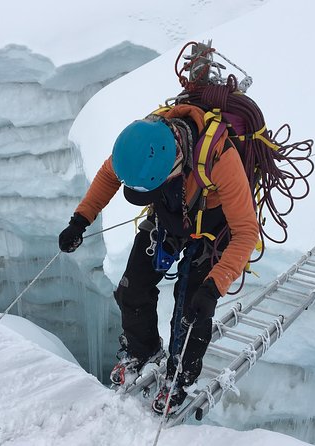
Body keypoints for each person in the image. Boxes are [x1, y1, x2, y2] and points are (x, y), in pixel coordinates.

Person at [58, 103, 259, 414]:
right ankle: (143, 349)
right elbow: (109, 175)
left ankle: (181, 376)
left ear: (175, 163)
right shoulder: (142, 145)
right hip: (170, 217)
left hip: (212, 231)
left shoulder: (219, 158)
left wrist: (214, 286)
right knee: (131, 288)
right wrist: (80, 220)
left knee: (191, 308)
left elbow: (246, 231)